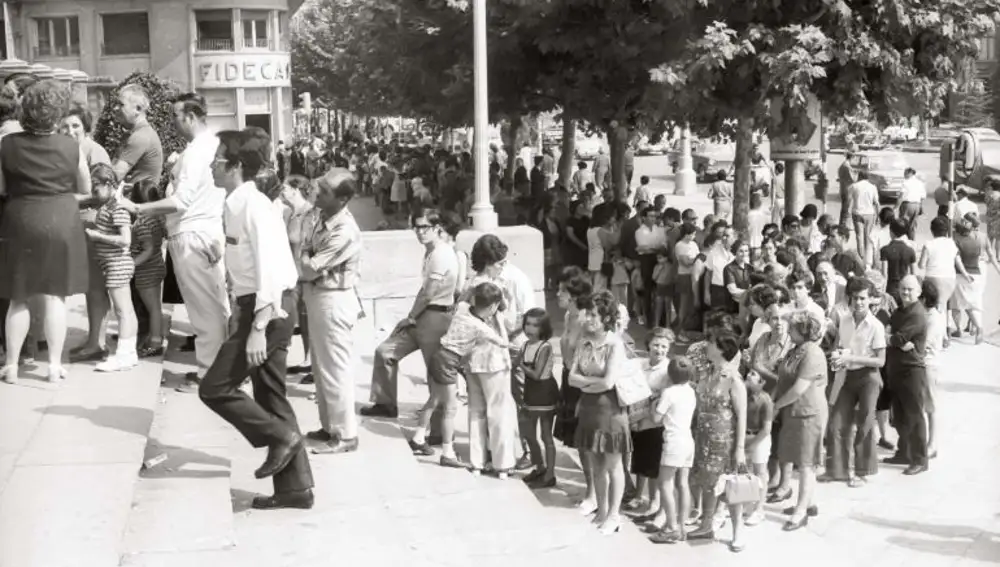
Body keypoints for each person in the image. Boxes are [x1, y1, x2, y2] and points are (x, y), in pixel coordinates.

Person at [198, 128, 314, 510]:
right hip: (260, 306)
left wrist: (258, 329)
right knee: (270, 395)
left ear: (235, 167)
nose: (212, 165)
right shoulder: (237, 204)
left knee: (215, 388)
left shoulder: (254, 206)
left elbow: (272, 270)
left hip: (268, 308)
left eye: (218, 160)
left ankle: (280, 436)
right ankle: (295, 489)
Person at [121, 93, 228, 391]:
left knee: (205, 310)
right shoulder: (209, 146)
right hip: (202, 231)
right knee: (212, 307)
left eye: (176, 117)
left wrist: (140, 208)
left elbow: (181, 201)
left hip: (193, 235)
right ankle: (215, 372)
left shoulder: (197, 152)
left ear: (190, 117)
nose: (173, 123)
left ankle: (211, 376)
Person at [0, 80, 92, 385]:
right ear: (57, 113)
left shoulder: (6, 145)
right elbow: (85, 188)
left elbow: (1, 189)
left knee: (18, 297)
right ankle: (53, 367)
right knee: (55, 297)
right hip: (61, 220)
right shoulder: (71, 146)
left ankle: (11, 366)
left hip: (21, 219)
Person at [362, 209, 460, 424]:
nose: (419, 232)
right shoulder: (430, 252)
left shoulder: (442, 254)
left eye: (425, 227)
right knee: (385, 352)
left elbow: (430, 292)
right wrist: (412, 317)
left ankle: (436, 428)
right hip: (423, 316)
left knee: (435, 374)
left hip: (437, 316)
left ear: (437, 228)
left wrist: (410, 317)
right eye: (416, 227)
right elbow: (424, 290)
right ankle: (385, 404)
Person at [299, 170, 364, 455]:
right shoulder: (319, 217)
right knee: (321, 367)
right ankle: (329, 426)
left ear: (343, 199)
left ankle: (345, 434)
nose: (318, 194)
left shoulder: (345, 229)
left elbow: (309, 267)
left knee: (335, 368)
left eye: (325, 191)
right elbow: (306, 253)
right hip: (317, 297)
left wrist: (304, 259)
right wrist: (305, 257)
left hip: (333, 299)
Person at [569, 290, 631, 536]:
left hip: (610, 410)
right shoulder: (584, 340)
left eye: (594, 314)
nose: (588, 319)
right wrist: (588, 383)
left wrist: (584, 382)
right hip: (588, 407)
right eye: (587, 314)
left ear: (606, 317)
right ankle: (603, 509)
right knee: (596, 464)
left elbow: (608, 383)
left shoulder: (615, 344)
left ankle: (615, 515)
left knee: (612, 464)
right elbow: (570, 377)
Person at [688, 330, 748, 553]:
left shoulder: (733, 379)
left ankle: (737, 531)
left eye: (711, 343)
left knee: (728, 488)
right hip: (703, 438)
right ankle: (706, 524)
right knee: (707, 482)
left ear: (722, 349)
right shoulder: (708, 373)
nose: (706, 346)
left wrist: (740, 449)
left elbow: (742, 415)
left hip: (724, 442)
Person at [825, 277, 886, 487]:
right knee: (836, 423)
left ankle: (862, 470)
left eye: (863, 298)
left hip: (869, 377)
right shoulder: (845, 321)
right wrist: (836, 357)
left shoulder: (876, 326)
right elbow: (839, 347)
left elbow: (881, 360)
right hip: (848, 376)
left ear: (870, 299)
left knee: (866, 422)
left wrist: (850, 358)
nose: (859, 302)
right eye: (855, 298)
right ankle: (837, 470)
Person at [772, 309, 828, 532]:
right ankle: (808, 502)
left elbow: (799, 389)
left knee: (806, 464)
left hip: (808, 413)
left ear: (803, 331)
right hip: (793, 412)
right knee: (798, 458)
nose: (788, 330)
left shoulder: (812, 354)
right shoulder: (796, 350)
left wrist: (776, 405)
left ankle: (801, 511)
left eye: (792, 327)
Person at [83, 164, 139, 372]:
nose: (93, 194)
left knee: (123, 311)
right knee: (127, 310)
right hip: (113, 264)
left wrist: (98, 236)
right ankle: (129, 352)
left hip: (117, 264)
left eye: (96, 188)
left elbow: (125, 239)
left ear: (108, 184)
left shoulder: (117, 207)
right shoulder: (109, 206)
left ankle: (123, 355)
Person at [647, 356, 697, 545]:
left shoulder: (668, 393)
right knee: (682, 484)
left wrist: (653, 404)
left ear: (669, 374)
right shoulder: (691, 391)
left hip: (674, 442)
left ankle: (671, 527)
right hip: (687, 441)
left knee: (665, 483)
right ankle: (682, 527)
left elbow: (656, 419)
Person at [882, 275, 929, 476]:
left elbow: (898, 337)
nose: (906, 292)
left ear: (919, 292)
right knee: (899, 415)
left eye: (910, 289)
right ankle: (904, 452)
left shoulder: (917, 314)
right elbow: (894, 336)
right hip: (896, 368)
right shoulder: (900, 311)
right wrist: (894, 339)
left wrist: (891, 338)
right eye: (903, 288)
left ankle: (920, 459)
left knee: (915, 416)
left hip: (912, 371)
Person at [626, 327, 674, 523]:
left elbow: (666, 397)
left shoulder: (668, 369)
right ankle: (638, 495)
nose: (659, 349)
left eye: (664, 346)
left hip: (655, 422)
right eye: (656, 345)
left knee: (653, 465)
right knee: (638, 459)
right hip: (637, 419)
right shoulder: (640, 364)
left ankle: (654, 501)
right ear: (648, 345)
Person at [519, 308, 560, 488]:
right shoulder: (525, 345)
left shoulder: (545, 347)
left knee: (545, 435)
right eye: (527, 324)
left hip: (544, 392)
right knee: (527, 432)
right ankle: (539, 466)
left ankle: (550, 474)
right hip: (530, 392)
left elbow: (536, 373)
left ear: (543, 328)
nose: (530, 328)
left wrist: (520, 365)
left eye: (535, 325)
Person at [129, 180, 168, 358]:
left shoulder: (142, 221)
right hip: (157, 265)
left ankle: (155, 342)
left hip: (146, 269)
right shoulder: (158, 217)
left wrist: (132, 263)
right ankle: (155, 338)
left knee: (153, 308)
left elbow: (148, 248)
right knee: (155, 307)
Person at [950, 213, 1000, 343]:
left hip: (961, 274)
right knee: (974, 301)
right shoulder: (983, 237)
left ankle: (960, 329)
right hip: (978, 273)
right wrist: (998, 270)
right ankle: (976, 327)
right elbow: (992, 256)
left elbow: (956, 259)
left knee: (957, 304)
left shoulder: (956, 238)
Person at [919, 216, 964, 335]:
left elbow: (921, 265)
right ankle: (944, 335)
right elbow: (958, 262)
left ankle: (935, 335)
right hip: (949, 279)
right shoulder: (952, 243)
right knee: (942, 306)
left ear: (932, 230)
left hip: (932, 278)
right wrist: (966, 274)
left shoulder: (929, 244)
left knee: (931, 308)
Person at [742, 367, 774, 526]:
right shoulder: (744, 395)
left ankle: (759, 509)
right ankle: (748, 504)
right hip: (745, 436)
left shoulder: (765, 400)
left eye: (753, 374)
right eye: (749, 372)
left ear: (762, 382)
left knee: (760, 472)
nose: (748, 375)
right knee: (746, 473)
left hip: (759, 438)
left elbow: (766, 429)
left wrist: (751, 445)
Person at [879, 219, 916, 301]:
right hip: (905, 288)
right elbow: (913, 274)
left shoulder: (885, 250)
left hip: (891, 288)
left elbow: (884, 274)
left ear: (891, 232)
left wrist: (883, 292)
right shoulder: (910, 250)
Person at [849, 170, 880, 261]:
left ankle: (860, 256)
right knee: (868, 236)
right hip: (869, 214)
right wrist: (878, 216)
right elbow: (876, 203)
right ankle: (868, 257)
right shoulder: (872, 187)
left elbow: (849, 200)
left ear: (859, 176)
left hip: (857, 213)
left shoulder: (854, 186)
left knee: (859, 235)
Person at [898, 168, 925, 239]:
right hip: (917, 205)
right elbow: (922, 197)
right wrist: (920, 207)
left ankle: (904, 242)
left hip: (907, 205)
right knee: (912, 226)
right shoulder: (920, 183)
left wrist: (895, 207)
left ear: (909, 173)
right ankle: (912, 242)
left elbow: (900, 197)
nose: (904, 175)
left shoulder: (906, 182)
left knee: (903, 225)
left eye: (905, 173)